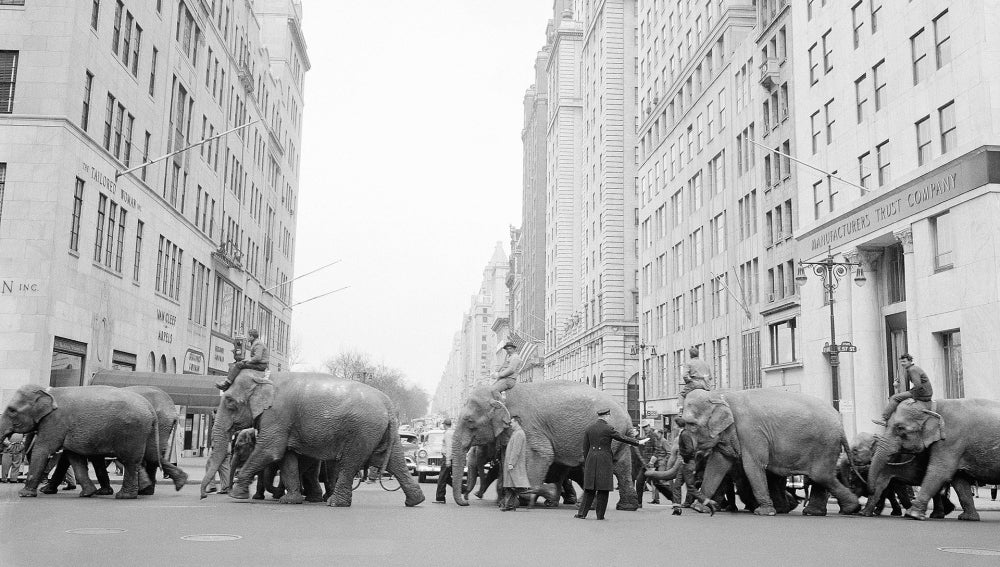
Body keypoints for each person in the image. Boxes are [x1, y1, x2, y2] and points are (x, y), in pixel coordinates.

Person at [575, 407, 643, 520]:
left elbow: (585, 448)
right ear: (606, 416)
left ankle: (582, 513)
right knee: (603, 489)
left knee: (589, 489)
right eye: (608, 416)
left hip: (591, 459)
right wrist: (637, 442)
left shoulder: (589, 428)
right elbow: (621, 437)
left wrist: (588, 461)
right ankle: (600, 515)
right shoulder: (608, 429)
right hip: (604, 460)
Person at [872, 354, 933, 427]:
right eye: (901, 362)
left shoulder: (912, 370)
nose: (902, 364)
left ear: (910, 361)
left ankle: (884, 419)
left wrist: (914, 398)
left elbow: (918, 385)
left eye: (904, 361)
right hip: (924, 392)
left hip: (923, 394)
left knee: (894, 398)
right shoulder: (913, 369)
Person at [500, 415, 529, 511]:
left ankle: (509, 505)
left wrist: (511, 463)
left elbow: (516, 450)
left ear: (517, 422)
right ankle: (510, 505)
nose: (510, 424)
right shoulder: (517, 433)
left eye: (512, 422)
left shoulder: (519, 434)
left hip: (514, 465)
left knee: (512, 486)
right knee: (511, 486)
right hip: (513, 464)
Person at [434, 418, 455, 503]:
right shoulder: (451, 432)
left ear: (445, 425)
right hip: (448, 457)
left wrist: (448, 460)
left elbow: (449, 447)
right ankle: (463, 489)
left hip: (446, 456)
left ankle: (440, 497)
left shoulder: (448, 434)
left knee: (442, 478)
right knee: (447, 478)